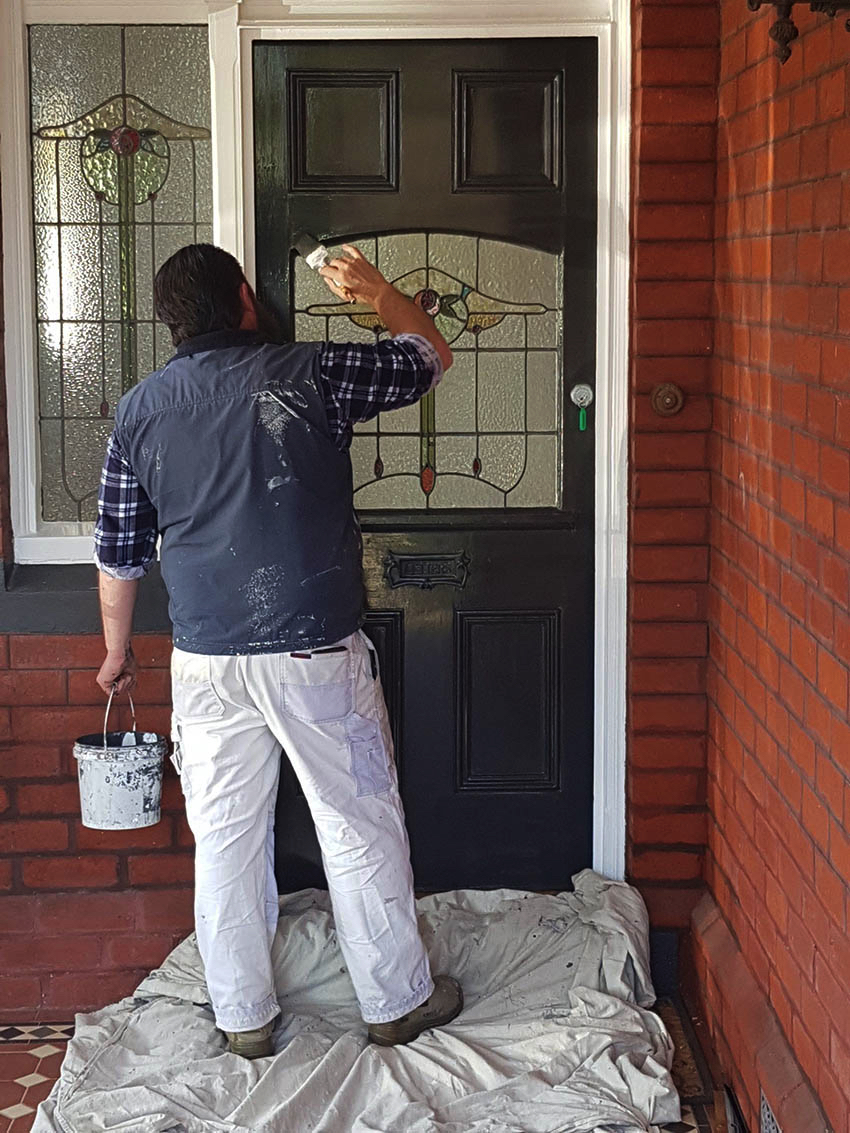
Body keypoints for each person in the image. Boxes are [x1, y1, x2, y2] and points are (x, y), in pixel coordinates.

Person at [93, 242, 462, 1058]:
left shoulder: (141, 412)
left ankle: (244, 1019)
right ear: (244, 300)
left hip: (207, 662)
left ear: (172, 322)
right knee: (357, 824)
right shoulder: (313, 373)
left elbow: (118, 551)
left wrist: (116, 650)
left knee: (226, 840)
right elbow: (428, 356)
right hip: (313, 653)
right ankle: (395, 1003)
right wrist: (376, 289)